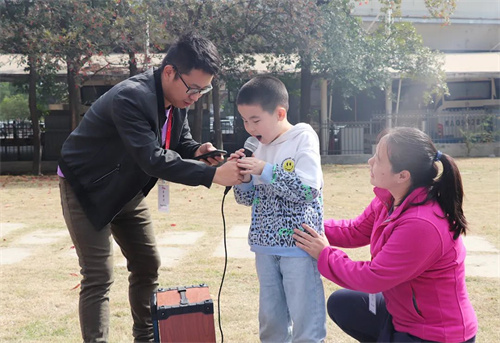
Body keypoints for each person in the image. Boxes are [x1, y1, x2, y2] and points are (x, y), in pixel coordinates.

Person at [58, 33, 243, 342]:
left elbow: (177, 141)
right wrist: (213, 176)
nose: (196, 96)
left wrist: (198, 151)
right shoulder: (131, 97)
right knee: (99, 275)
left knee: (147, 263)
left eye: (203, 89)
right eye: (194, 88)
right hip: (85, 186)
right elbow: (153, 159)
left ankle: (145, 338)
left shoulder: (177, 98)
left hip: (127, 185)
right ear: (169, 72)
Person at [293, 127, 478, 343]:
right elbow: (355, 230)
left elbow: (372, 277)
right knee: (343, 303)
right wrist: (305, 225)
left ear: (403, 175)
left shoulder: (422, 224)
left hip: (435, 333)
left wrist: (325, 254)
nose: (370, 162)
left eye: (378, 159)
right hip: (402, 315)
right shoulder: (391, 199)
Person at [229, 75, 327, 342]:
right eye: (244, 120)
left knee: (306, 318)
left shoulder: (302, 137)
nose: (249, 128)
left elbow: (309, 189)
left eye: (256, 120)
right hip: (264, 246)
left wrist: (266, 170)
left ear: (280, 113)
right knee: (271, 322)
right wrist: (245, 177)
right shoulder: (257, 147)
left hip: (299, 246)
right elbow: (246, 200)